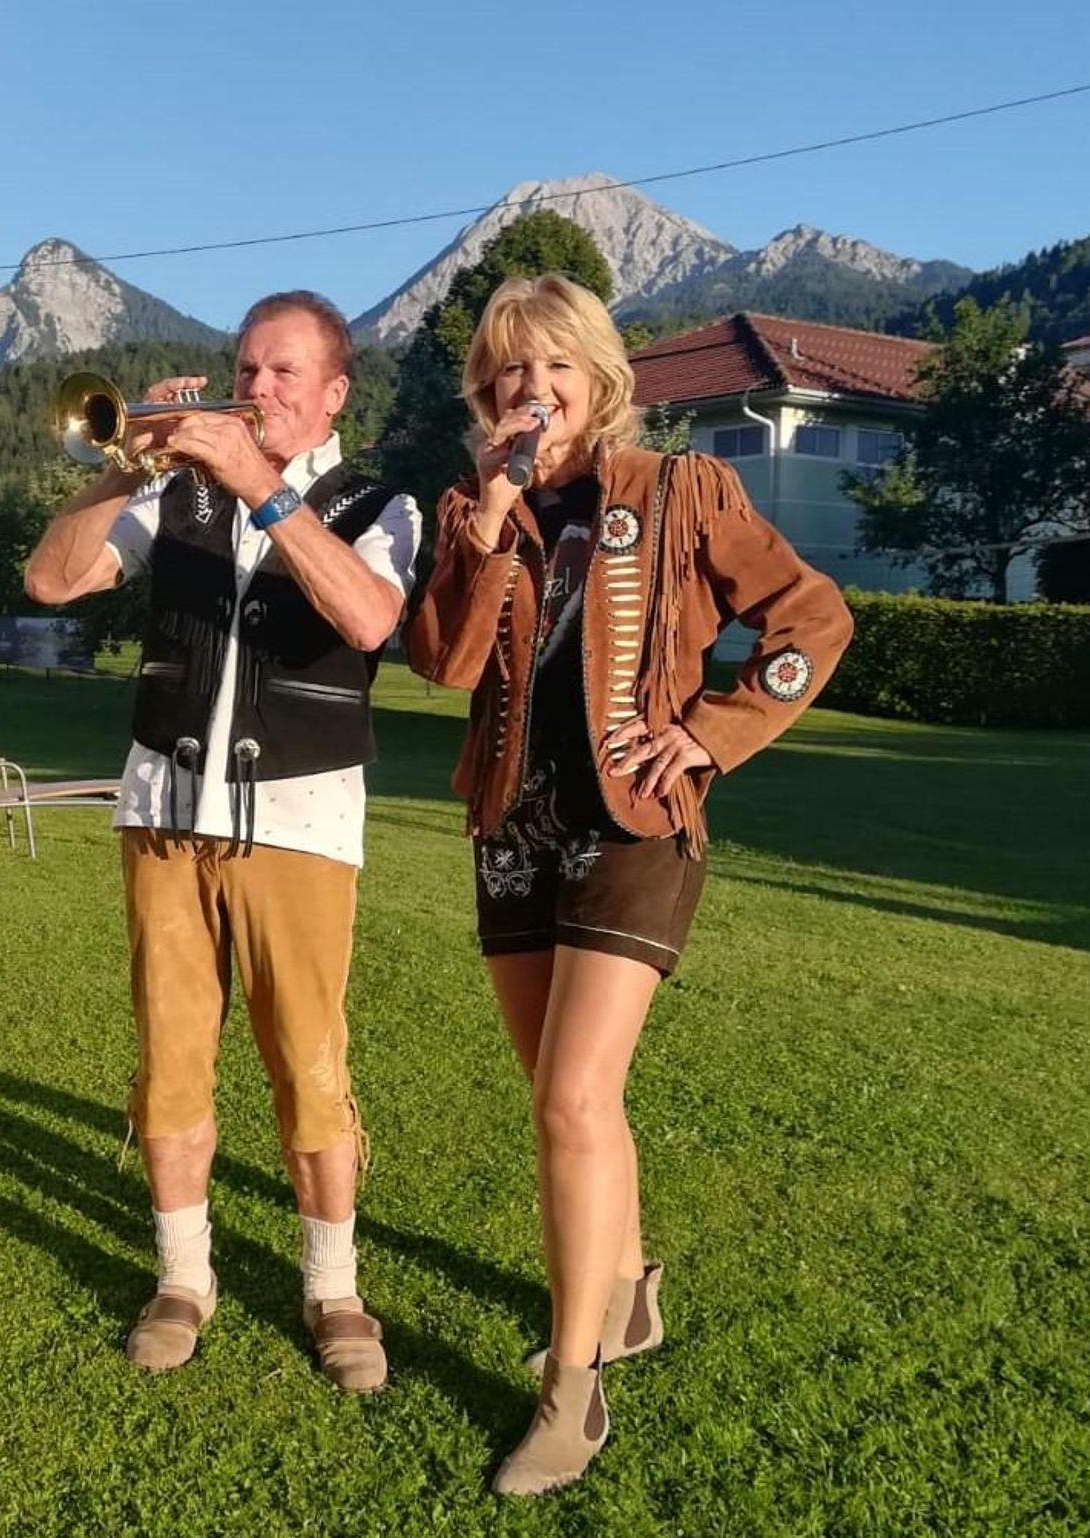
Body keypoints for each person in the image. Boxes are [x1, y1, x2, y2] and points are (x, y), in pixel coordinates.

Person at [407, 273, 853, 1493]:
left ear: (598, 378)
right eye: (509, 367)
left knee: (569, 1098)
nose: (531, 387)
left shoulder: (676, 490)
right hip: (512, 823)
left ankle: (571, 1386)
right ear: (484, 389)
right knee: (567, 1097)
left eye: (554, 364)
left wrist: (710, 731)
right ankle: (627, 1284)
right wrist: (486, 520)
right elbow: (443, 662)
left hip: (633, 822)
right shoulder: (476, 510)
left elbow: (811, 615)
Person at [24, 292, 419, 1392]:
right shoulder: (176, 491)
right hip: (163, 810)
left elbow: (369, 618)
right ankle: (181, 1276)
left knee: (308, 1062)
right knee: (169, 1058)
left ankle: (333, 1286)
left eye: (284, 372)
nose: (258, 388)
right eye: (247, 368)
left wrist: (262, 487)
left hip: (298, 824)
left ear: (334, 393)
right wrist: (123, 468)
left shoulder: (379, 503)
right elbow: (51, 580)